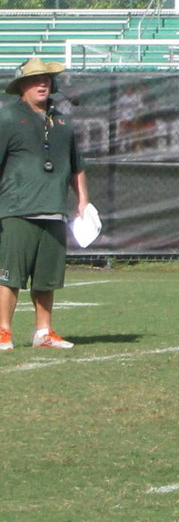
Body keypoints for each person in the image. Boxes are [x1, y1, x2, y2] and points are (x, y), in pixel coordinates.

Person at [0, 59, 90, 351]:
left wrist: (83, 201)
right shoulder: (7, 118)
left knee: (46, 277)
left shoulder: (62, 121)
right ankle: (3, 332)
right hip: (16, 209)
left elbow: (76, 166)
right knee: (9, 275)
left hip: (54, 210)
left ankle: (43, 332)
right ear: (22, 86)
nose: (43, 84)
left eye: (47, 79)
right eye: (36, 79)